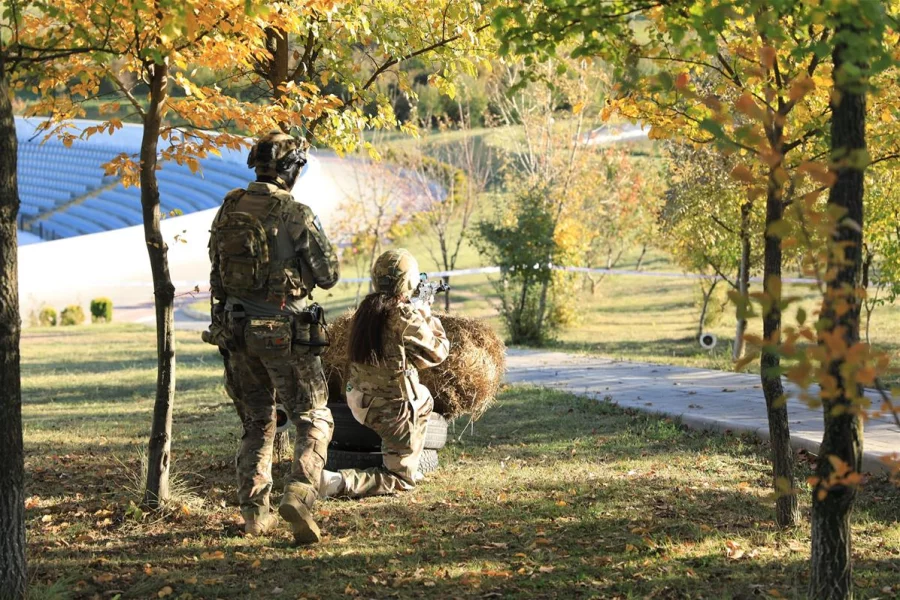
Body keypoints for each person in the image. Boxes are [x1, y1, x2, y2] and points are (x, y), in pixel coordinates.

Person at [206, 130, 339, 544]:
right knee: (314, 417)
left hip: (237, 332)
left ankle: (254, 516)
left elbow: (217, 270)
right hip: (284, 336)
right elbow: (328, 274)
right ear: (291, 169)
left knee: (257, 423)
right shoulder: (295, 213)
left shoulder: (228, 209)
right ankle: (299, 495)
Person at [319, 249, 449, 498]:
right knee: (401, 481)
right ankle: (337, 482)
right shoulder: (405, 315)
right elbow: (438, 353)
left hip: (358, 400)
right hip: (390, 411)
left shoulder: (366, 310)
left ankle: (406, 457)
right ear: (410, 282)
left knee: (422, 397)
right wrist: (427, 314)